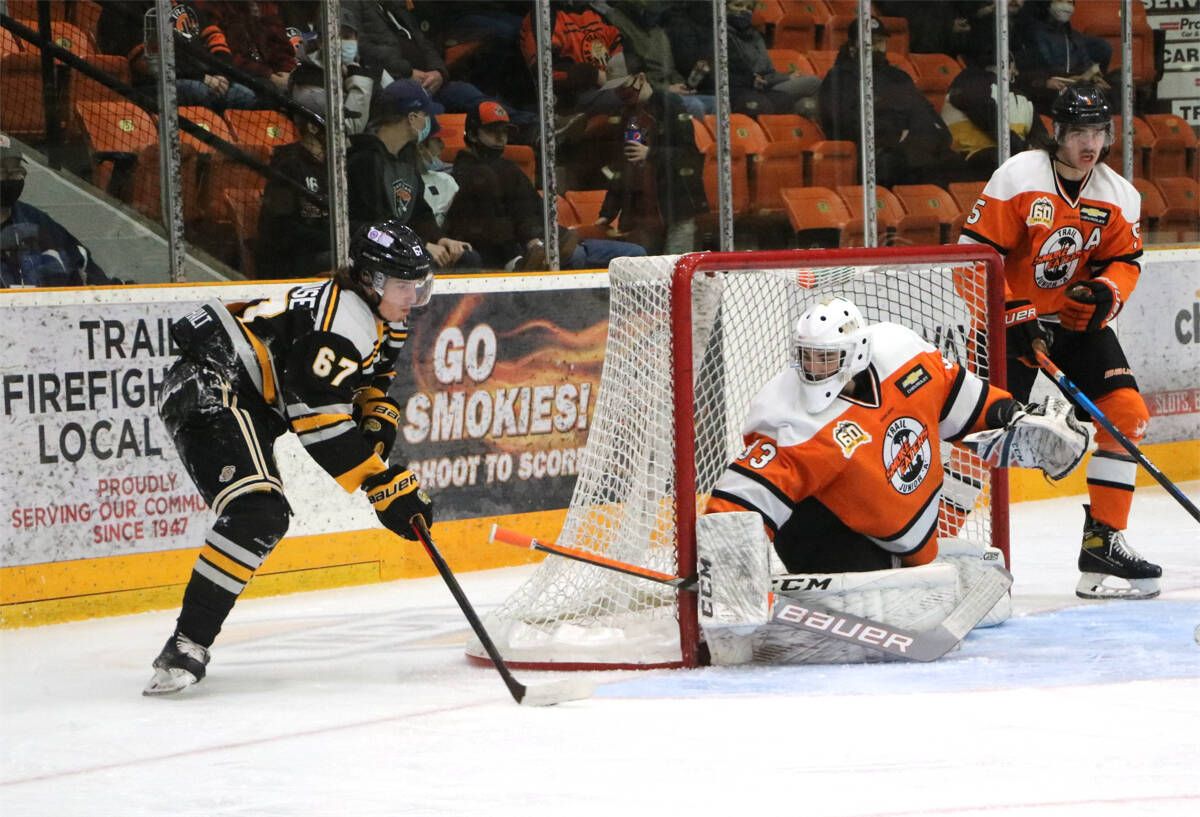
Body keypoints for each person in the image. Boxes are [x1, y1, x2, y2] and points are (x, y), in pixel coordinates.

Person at [144, 219, 436, 695]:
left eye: (418, 284)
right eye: (404, 285)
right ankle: (186, 645)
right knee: (257, 512)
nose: (414, 296)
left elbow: (367, 384)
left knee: (262, 513)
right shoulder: (343, 323)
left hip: (248, 397)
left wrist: (375, 416)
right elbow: (316, 423)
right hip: (211, 387)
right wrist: (380, 484)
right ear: (370, 279)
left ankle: (186, 643)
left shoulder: (383, 317)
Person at [704, 296, 1089, 578]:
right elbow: (741, 499)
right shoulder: (789, 416)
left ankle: (904, 563)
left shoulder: (901, 354)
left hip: (908, 534)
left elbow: (961, 399)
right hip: (834, 539)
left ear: (856, 352)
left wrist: (1009, 415)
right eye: (807, 356)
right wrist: (729, 574)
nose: (813, 368)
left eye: (825, 357)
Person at [957, 84, 1161, 600]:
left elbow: (1124, 264)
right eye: (1079, 133)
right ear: (1057, 133)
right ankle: (929, 546)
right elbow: (973, 256)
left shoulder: (1118, 195)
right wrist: (1010, 315)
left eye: (1098, 132)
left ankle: (1103, 546)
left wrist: (1102, 294)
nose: (1089, 144)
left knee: (1126, 413)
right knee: (977, 436)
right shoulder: (1019, 176)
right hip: (1006, 324)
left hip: (1071, 329)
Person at [443, 100, 645, 271]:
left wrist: (561, 235)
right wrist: (531, 241)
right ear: (472, 135)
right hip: (521, 252)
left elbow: (535, 209)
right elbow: (492, 228)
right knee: (576, 256)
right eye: (492, 131)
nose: (500, 138)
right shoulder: (466, 176)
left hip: (548, 242)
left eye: (504, 131)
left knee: (637, 254)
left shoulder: (507, 169)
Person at [818, 17, 968, 188]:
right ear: (853, 47)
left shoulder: (899, 77)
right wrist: (893, 137)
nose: (876, 48)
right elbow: (841, 123)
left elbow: (924, 111)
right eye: (870, 43)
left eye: (880, 42)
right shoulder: (840, 78)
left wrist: (934, 136)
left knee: (958, 165)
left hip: (916, 147)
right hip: (877, 154)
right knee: (898, 165)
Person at [346, 79, 479, 271]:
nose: (427, 121)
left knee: (468, 259)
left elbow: (419, 213)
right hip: (377, 251)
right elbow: (375, 226)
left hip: (406, 246)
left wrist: (439, 239)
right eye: (425, 114)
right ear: (412, 117)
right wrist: (421, 245)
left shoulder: (406, 161)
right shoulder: (364, 161)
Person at [595, 73, 708, 255]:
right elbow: (625, 166)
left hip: (676, 209)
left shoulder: (668, 105)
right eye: (616, 89)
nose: (621, 93)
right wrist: (607, 212)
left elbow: (689, 156)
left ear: (640, 78)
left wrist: (651, 154)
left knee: (673, 268)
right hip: (645, 213)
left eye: (623, 86)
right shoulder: (630, 116)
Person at [254, 63, 334, 279]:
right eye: (334, 122)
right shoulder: (288, 164)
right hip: (290, 264)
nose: (341, 128)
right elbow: (282, 231)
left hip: (320, 252)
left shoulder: (334, 165)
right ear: (313, 126)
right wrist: (335, 239)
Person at [1, 142, 118, 288]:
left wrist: (114, 291)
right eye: (2, 171)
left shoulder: (35, 221)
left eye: (16, 171)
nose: (10, 179)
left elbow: (84, 267)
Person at [941, 48, 1050, 179]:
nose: (1016, 72)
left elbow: (1039, 134)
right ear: (1004, 65)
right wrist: (1023, 148)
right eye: (1013, 67)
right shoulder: (971, 82)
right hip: (972, 157)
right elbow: (987, 115)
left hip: (1009, 158)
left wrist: (1038, 152)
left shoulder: (1021, 97)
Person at [1013, 0, 1117, 115]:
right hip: (1046, 95)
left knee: (1118, 82)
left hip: (1075, 90)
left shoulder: (1073, 36)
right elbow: (1021, 73)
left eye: (1070, 2)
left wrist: (1095, 79)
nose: (1066, 6)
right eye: (1060, 0)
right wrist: (1045, 82)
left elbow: (1085, 66)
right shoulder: (1027, 33)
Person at [725, 0, 819, 117]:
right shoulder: (723, 38)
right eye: (738, 5)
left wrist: (786, 76)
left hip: (768, 84)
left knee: (808, 101)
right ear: (725, 8)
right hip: (751, 89)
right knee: (813, 84)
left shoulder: (755, 35)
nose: (744, 10)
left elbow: (768, 72)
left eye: (749, 8)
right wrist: (784, 78)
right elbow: (751, 75)